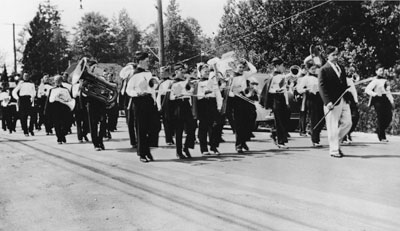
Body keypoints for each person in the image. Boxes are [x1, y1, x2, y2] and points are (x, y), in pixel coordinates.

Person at [318, 46, 353, 158]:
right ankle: (334, 150)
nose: (336, 56)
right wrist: (327, 102)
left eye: (337, 54)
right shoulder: (323, 69)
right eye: (333, 54)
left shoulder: (341, 68)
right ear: (327, 56)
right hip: (332, 102)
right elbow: (322, 87)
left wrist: (347, 88)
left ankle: (335, 142)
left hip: (343, 99)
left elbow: (342, 84)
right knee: (332, 126)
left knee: (348, 123)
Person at [126, 51, 158, 162]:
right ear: (140, 62)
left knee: (155, 126)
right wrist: (137, 93)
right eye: (147, 61)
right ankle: (142, 153)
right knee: (141, 128)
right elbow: (128, 90)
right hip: (139, 101)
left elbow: (152, 87)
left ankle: (147, 149)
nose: (148, 63)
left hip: (149, 100)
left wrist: (155, 100)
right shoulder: (134, 74)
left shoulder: (148, 73)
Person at [192, 63, 222, 155]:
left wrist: (219, 106)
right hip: (203, 104)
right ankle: (204, 149)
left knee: (215, 126)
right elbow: (196, 96)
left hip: (212, 104)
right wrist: (204, 93)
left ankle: (213, 147)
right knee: (203, 127)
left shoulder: (213, 81)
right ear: (200, 72)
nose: (207, 73)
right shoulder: (197, 83)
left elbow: (217, 94)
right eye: (205, 71)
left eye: (208, 71)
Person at [260, 57, 290, 149]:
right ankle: (280, 141)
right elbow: (269, 89)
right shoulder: (272, 76)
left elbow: (285, 88)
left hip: (283, 99)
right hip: (276, 99)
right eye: (282, 65)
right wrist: (276, 90)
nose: (283, 67)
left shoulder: (282, 75)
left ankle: (274, 133)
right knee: (279, 120)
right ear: (277, 66)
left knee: (285, 118)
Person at [168, 63, 196, 159]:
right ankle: (178, 151)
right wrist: (177, 95)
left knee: (192, 126)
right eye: (181, 70)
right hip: (178, 105)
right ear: (176, 72)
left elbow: (190, 92)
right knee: (179, 130)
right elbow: (171, 96)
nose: (183, 72)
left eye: (184, 70)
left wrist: (191, 86)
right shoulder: (174, 82)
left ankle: (186, 146)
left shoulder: (186, 81)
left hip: (186, 105)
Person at [296, 59, 324, 147]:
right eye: (312, 68)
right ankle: (315, 140)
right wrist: (306, 89)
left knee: (322, 118)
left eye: (315, 68)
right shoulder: (305, 78)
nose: (314, 70)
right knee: (314, 118)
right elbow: (299, 89)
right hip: (311, 98)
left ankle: (315, 133)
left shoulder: (319, 76)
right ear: (308, 69)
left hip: (320, 98)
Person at [365, 64, 394, 142]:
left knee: (389, 117)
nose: (382, 72)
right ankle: (382, 137)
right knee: (381, 117)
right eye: (380, 71)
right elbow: (367, 90)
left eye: (383, 70)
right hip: (378, 100)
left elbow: (388, 91)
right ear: (376, 72)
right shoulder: (375, 81)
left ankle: (379, 130)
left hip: (385, 99)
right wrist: (375, 94)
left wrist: (392, 101)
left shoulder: (385, 80)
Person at [46, 75, 74, 144]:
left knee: (66, 124)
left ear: (61, 81)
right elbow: (49, 100)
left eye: (58, 80)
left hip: (64, 108)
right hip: (55, 108)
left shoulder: (65, 89)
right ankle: (59, 138)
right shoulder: (52, 90)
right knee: (57, 124)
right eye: (56, 81)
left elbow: (69, 99)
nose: (57, 82)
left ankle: (63, 135)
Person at [156, 65, 175, 145]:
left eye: (163, 72)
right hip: (163, 101)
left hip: (172, 101)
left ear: (167, 73)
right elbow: (158, 95)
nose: (161, 74)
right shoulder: (159, 83)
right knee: (166, 120)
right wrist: (159, 105)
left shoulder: (172, 82)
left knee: (172, 120)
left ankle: (172, 135)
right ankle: (168, 139)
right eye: (160, 72)